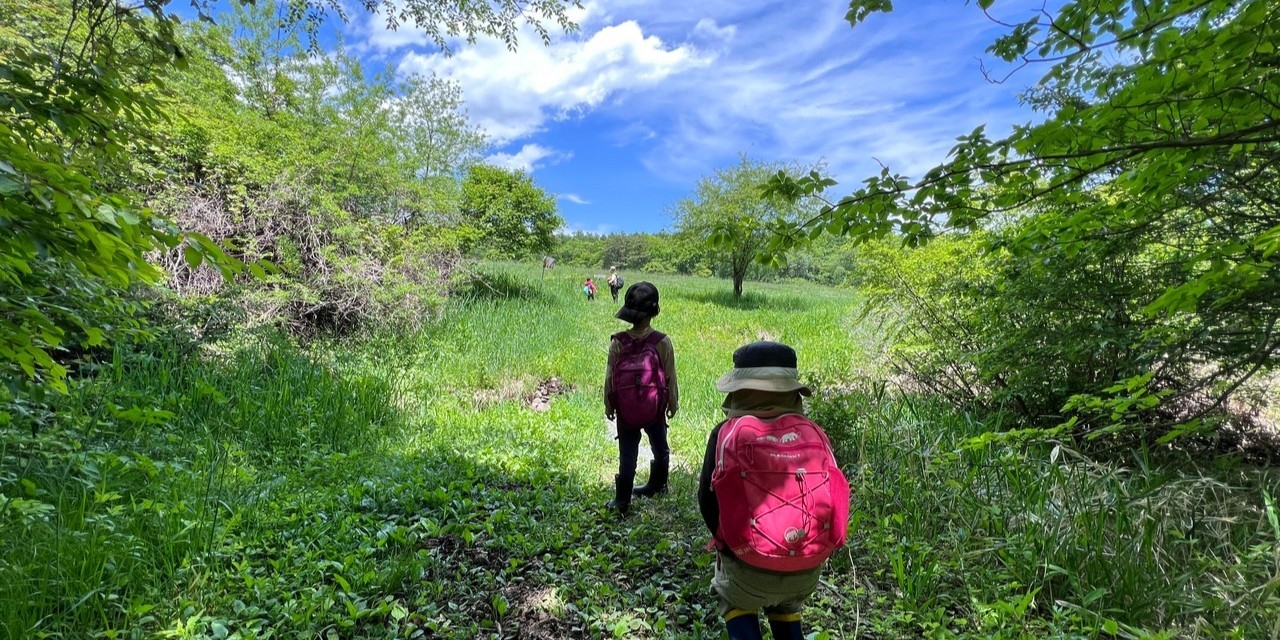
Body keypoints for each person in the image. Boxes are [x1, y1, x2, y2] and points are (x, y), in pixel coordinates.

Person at [697, 342, 822, 640]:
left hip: (746, 570)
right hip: (805, 567)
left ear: (739, 390)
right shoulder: (810, 431)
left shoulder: (724, 433)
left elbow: (707, 501)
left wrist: (727, 547)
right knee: (787, 602)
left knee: (735, 598)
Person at [603, 282, 678, 516]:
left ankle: (622, 499)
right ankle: (658, 484)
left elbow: (610, 378)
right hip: (654, 407)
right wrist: (672, 403)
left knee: (627, 454)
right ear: (654, 311)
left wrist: (609, 404)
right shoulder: (662, 341)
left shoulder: (618, 342)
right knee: (660, 448)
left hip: (626, 410)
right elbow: (670, 376)